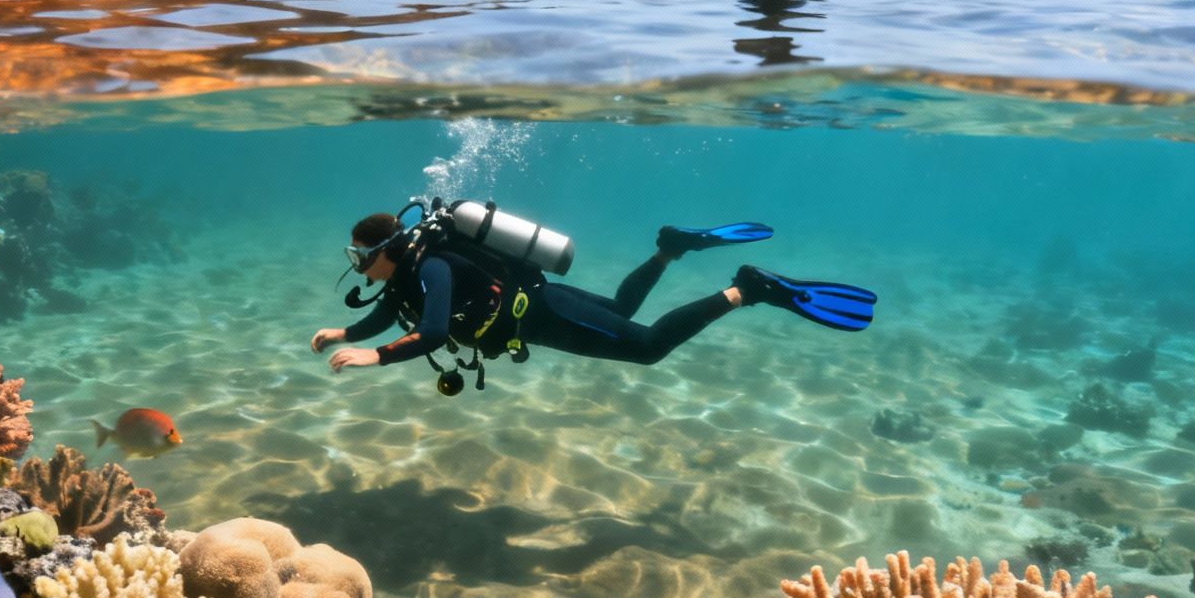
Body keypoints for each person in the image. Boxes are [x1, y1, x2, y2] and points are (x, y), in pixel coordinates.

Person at [311, 213, 874, 376]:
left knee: (649, 346)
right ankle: (670, 249)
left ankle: (746, 290)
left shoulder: (430, 266)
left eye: (362, 256)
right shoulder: (410, 274)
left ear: (388, 249)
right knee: (624, 310)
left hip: (541, 315)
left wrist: (374, 357)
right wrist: (346, 333)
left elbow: (432, 331)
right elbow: (388, 314)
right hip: (537, 304)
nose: (359, 267)